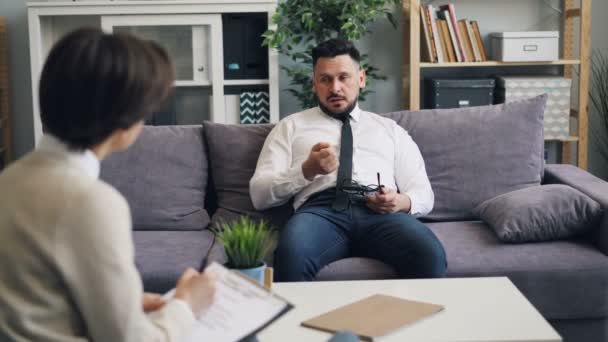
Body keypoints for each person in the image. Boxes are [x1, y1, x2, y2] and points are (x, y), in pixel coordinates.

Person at [0, 28, 216, 341]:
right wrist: (186, 305)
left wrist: (127, 305)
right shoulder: (91, 202)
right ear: (124, 118)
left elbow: (35, 301)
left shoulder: (9, 179)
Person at [250, 38, 447, 282]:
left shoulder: (390, 130)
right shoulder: (290, 127)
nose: (335, 88)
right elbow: (259, 195)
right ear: (314, 83)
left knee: (430, 254)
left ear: (361, 79)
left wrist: (400, 201)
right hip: (319, 213)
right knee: (291, 256)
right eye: (325, 79)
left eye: (344, 77)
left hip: (380, 214)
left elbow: (423, 193)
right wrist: (307, 171)